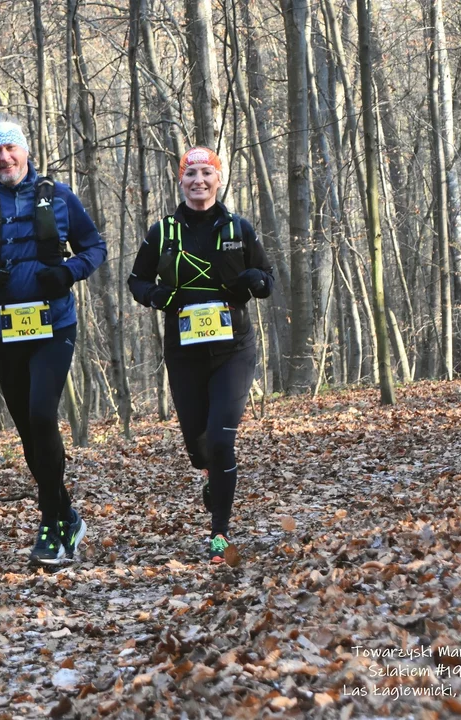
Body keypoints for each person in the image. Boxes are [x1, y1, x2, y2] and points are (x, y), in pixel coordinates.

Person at [0, 113, 106, 566]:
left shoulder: (58, 197)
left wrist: (67, 272)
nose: (4, 157)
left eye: (10, 148)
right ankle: (67, 516)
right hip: (6, 330)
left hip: (55, 325)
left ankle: (51, 523)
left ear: (25, 150)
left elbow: (95, 247)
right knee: (29, 433)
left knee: (41, 415)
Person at [127, 147, 274, 564]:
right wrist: (154, 295)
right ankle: (211, 474)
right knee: (199, 448)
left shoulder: (238, 228)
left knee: (221, 440)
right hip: (185, 350)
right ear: (181, 180)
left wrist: (256, 281)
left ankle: (219, 534)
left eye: (206, 173)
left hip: (233, 348)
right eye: (190, 173)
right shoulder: (163, 232)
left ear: (218, 178)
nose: (199, 181)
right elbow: (136, 280)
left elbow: (269, 278)